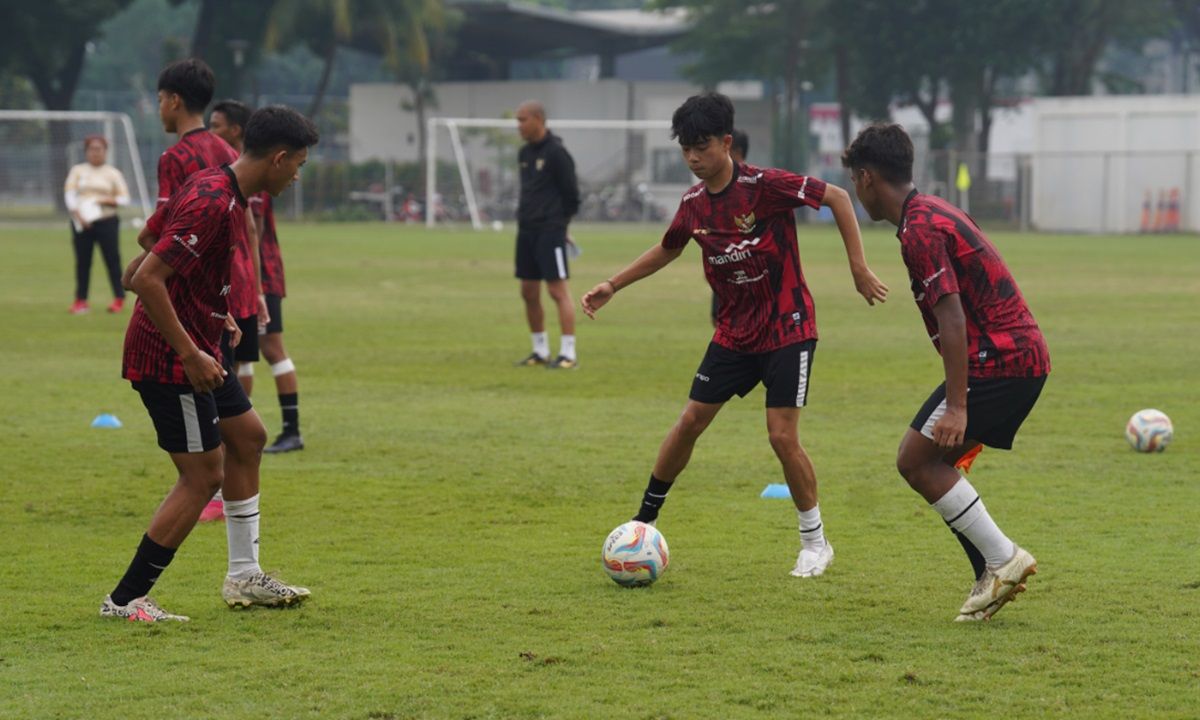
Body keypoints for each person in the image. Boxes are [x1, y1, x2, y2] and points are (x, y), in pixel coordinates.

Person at [581, 93, 889, 578]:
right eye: (685, 149)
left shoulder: (764, 186)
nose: (692, 158)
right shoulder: (692, 205)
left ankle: (815, 542)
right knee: (689, 422)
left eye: (701, 147)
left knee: (781, 435)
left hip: (788, 326)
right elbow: (667, 249)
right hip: (735, 333)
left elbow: (838, 196)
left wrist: (858, 267)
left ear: (727, 143)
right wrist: (613, 285)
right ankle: (641, 523)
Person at [102, 105, 319, 622]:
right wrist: (189, 349)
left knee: (248, 437)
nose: (296, 176)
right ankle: (124, 600)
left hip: (202, 342)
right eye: (298, 165)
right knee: (201, 477)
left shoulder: (212, 183)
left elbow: (149, 239)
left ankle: (245, 575)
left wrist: (210, 309)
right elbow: (146, 278)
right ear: (279, 158)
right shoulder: (213, 200)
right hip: (170, 356)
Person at [841, 123, 1049, 621]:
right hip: (1013, 358)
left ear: (868, 178)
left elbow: (951, 316)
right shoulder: (931, 211)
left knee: (917, 460)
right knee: (933, 464)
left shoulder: (920, 229)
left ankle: (1001, 560)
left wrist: (957, 406)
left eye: (854, 179)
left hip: (1000, 361)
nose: (854, 189)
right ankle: (990, 574)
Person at [212, 99, 304, 453]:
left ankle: (291, 429)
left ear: (236, 130)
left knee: (270, 347)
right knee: (243, 355)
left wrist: (259, 289)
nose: (212, 131)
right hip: (249, 278)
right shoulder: (235, 172)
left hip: (260, 277)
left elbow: (254, 232)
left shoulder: (256, 177)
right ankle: (236, 427)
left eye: (217, 125)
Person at [513, 100, 581, 370]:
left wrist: (561, 226)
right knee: (528, 291)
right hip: (526, 230)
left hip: (550, 231)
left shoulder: (557, 153)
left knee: (556, 290)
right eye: (517, 120)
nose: (518, 125)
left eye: (522, 119)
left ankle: (568, 353)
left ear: (539, 119)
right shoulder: (524, 154)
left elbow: (572, 196)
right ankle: (539, 349)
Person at [64, 135, 131, 314]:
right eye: (92, 149)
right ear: (86, 151)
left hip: (106, 221)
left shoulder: (112, 173)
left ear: (105, 151)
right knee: (83, 261)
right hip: (82, 222)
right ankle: (81, 300)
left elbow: (124, 199)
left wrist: (103, 199)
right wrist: (78, 215)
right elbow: (70, 195)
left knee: (112, 259)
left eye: (99, 149)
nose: (95, 153)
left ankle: (118, 298)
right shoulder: (78, 171)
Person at [710, 128, 749, 327]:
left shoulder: (756, 187)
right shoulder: (715, 190)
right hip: (725, 276)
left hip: (752, 280)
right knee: (721, 323)